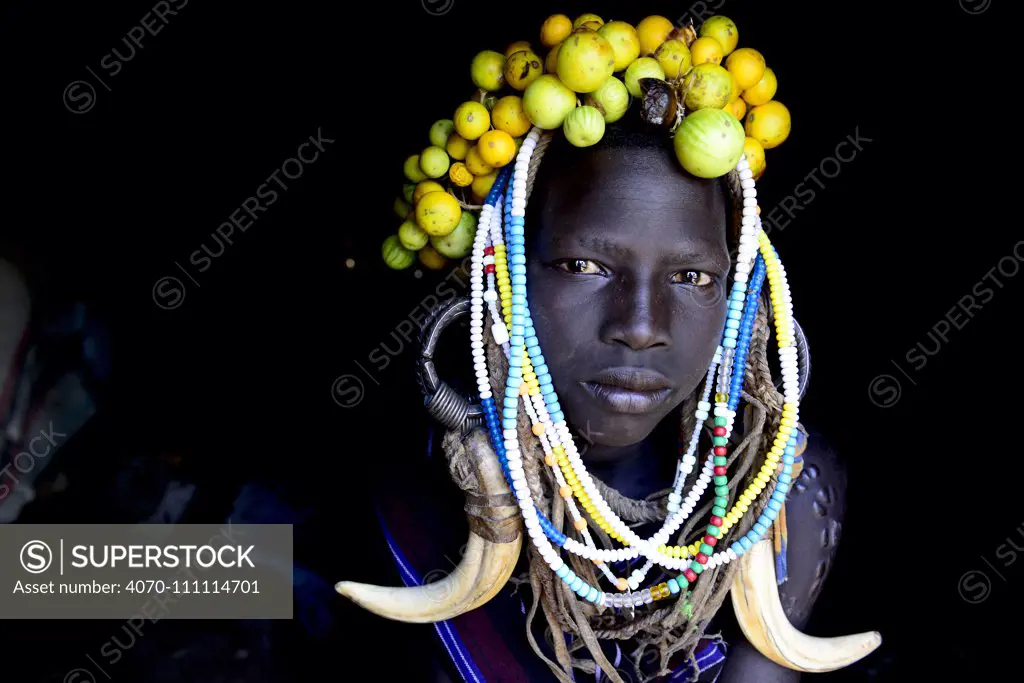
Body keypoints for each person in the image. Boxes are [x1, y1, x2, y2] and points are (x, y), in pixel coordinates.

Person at [338, 11, 881, 683]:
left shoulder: (789, 497)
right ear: (502, 276)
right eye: (584, 267)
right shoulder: (410, 473)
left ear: (743, 301)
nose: (641, 324)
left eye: (692, 277)